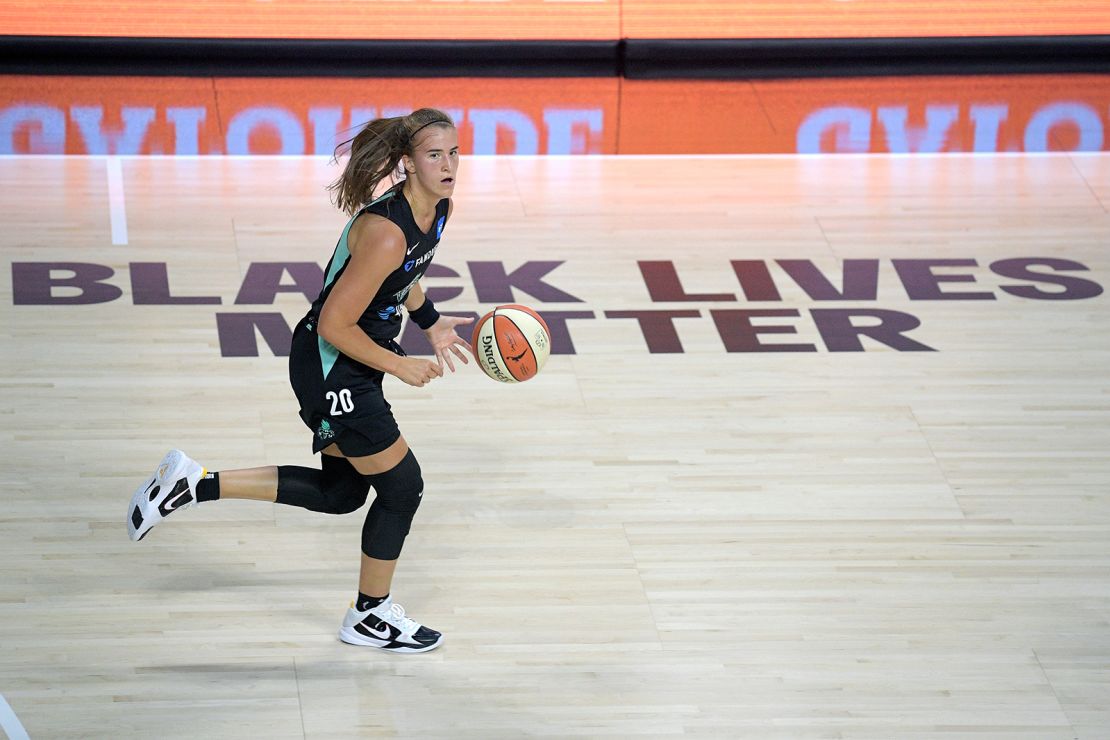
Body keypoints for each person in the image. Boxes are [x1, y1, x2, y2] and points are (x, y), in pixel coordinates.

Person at [126, 108, 471, 654]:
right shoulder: (384, 231)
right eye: (435, 154)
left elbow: (406, 276)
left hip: (349, 361)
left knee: (342, 493)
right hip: (332, 362)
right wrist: (400, 364)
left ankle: (193, 483)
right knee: (403, 487)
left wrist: (430, 323)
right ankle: (370, 616)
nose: (449, 164)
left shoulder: (438, 209)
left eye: (454, 152)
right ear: (407, 163)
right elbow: (336, 322)